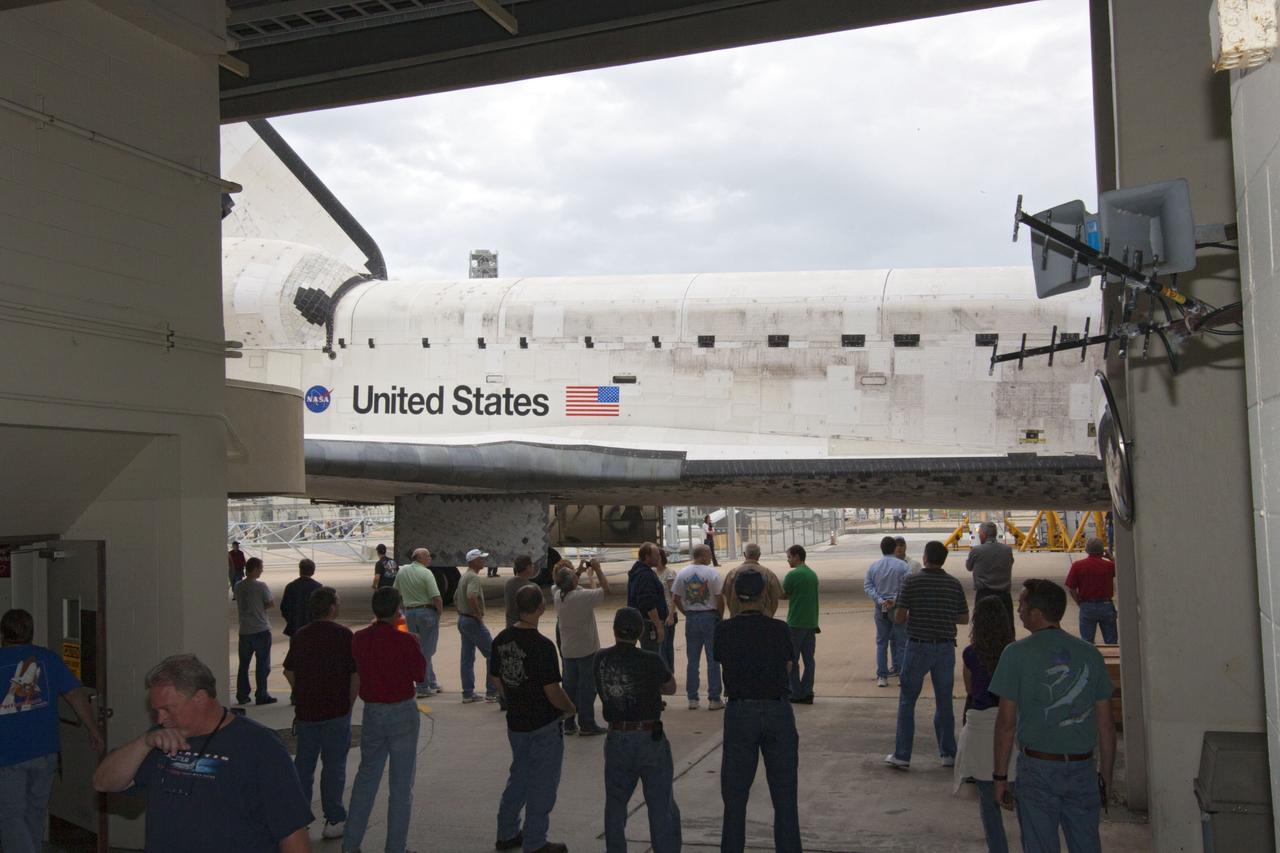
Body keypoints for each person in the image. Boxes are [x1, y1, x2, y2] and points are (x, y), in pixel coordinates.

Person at [92, 654, 312, 852]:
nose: (160, 719)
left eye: (167, 709)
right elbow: (103, 783)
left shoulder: (260, 746)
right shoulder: (159, 740)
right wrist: (143, 742)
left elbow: (293, 834)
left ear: (200, 698)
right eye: (155, 710)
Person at [992, 579, 1115, 853]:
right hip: (1083, 770)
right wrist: (1105, 778)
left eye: (1022, 604)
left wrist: (1000, 777)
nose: (1019, 609)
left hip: (1037, 770)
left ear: (1036, 613)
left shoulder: (1015, 654)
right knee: (1086, 844)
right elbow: (1105, 726)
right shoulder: (1090, 654)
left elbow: (1006, 725)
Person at [1, 609, 104, 853]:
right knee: (34, 814)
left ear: (3, 633)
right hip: (45, 752)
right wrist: (94, 729)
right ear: (31, 631)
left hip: (7, 755)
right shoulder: (47, 659)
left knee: (11, 818)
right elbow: (75, 695)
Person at [714, 569, 802, 853]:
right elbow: (789, 666)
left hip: (740, 711)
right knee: (784, 794)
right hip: (777, 709)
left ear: (735, 596)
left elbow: (722, 661)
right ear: (765, 594)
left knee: (735, 795)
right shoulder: (779, 629)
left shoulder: (724, 630)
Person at [490, 586, 575, 853]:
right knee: (542, 785)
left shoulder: (501, 640)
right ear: (540, 608)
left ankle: (506, 833)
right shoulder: (543, 646)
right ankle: (535, 841)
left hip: (516, 722)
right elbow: (552, 691)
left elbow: (496, 679)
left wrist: (514, 697)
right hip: (543, 724)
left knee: (519, 777)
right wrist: (570, 709)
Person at [343, 587, 427, 853]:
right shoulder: (406, 640)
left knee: (366, 777)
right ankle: (395, 847)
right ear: (397, 609)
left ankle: (350, 843)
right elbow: (420, 674)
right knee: (401, 787)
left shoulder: (359, 639)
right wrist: (409, 635)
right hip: (401, 711)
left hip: (373, 712)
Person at [595, 607, 681, 853]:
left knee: (615, 805)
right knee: (660, 806)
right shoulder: (650, 659)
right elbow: (671, 687)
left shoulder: (600, 658)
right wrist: (652, 696)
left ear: (614, 631)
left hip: (617, 736)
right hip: (648, 737)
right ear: (640, 631)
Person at [885, 540, 969, 770]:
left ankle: (902, 755)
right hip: (944, 647)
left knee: (907, 701)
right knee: (944, 702)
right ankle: (948, 753)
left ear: (924, 557)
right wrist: (941, 615)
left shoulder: (911, 581)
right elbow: (963, 618)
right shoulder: (954, 584)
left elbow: (900, 618)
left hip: (918, 646)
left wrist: (912, 613)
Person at [282, 587, 357, 841]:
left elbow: (289, 671)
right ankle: (334, 818)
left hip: (307, 712)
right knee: (334, 767)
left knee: (304, 765)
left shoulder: (301, 636)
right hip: (336, 710)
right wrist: (349, 702)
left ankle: (299, 822)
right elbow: (354, 674)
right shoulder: (345, 636)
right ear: (333, 607)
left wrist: (301, 692)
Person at [953, 597, 1016, 853]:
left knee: (988, 803)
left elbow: (969, 689)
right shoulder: (1013, 652)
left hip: (979, 728)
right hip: (1009, 724)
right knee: (1020, 795)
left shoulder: (970, 653)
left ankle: (997, 848)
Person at [553, 558, 609, 735]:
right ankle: (587, 724)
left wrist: (577, 571)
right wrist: (598, 570)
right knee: (587, 689)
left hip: (568, 650)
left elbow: (564, 583)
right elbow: (606, 590)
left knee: (570, 687)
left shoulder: (557, 594)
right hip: (586, 649)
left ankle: (569, 722)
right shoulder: (581, 597)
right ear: (573, 582)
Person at [672, 543, 725, 710]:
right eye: (709, 554)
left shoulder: (682, 573)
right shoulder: (711, 573)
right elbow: (719, 597)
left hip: (692, 618)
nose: (711, 557)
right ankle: (714, 698)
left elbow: (676, 597)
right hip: (710, 616)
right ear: (702, 555)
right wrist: (720, 615)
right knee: (713, 659)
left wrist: (686, 612)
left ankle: (692, 698)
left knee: (693, 660)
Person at [395, 547, 444, 697]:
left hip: (409, 613)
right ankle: (423, 686)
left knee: (420, 649)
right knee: (426, 651)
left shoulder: (402, 571)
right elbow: (436, 596)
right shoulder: (426, 573)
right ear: (419, 558)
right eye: (428, 556)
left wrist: (400, 611)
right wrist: (439, 612)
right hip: (426, 613)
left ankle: (432, 682)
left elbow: (396, 592)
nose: (430, 558)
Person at [864, 536, 909, 688]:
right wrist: (895, 599)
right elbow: (906, 585)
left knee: (881, 643)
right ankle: (903, 675)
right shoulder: (902, 566)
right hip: (897, 607)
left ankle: (882, 676)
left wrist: (880, 599)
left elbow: (868, 586)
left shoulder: (874, 566)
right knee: (902, 642)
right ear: (893, 548)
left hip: (881, 607)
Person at [457, 547, 499, 703]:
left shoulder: (464, 576)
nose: (483, 561)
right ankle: (491, 691)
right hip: (472, 620)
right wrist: (477, 614)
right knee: (493, 654)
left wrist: (463, 613)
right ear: (474, 561)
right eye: (481, 559)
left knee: (467, 658)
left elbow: (456, 598)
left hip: (462, 619)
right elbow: (471, 596)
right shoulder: (473, 577)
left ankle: (468, 693)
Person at [235, 557, 278, 706]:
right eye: (260, 568)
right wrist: (259, 608)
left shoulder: (238, 586)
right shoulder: (261, 586)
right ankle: (261, 694)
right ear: (254, 569)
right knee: (262, 664)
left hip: (245, 629)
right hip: (260, 629)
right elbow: (270, 603)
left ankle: (242, 694)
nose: (262, 571)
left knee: (244, 664)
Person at [782, 544, 819, 704]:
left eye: (789, 557)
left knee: (792, 659)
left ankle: (795, 692)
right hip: (811, 622)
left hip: (796, 622)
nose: (788, 560)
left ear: (797, 556)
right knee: (809, 660)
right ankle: (807, 690)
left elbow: (783, 594)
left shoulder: (793, 575)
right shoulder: (812, 574)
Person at [1064, 538, 1118, 645]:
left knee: (1087, 643)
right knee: (1111, 642)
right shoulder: (1109, 566)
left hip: (1087, 605)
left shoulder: (1077, 566)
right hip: (1106, 605)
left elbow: (1071, 588)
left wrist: (1079, 602)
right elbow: (1122, 570)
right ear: (1102, 551)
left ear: (1086, 550)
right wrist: (1111, 557)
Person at [966, 521, 1016, 631]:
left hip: (984, 595)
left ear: (983, 535)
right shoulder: (1007, 550)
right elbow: (1010, 562)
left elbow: (969, 567)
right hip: (1004, 596)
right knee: (1006, 629)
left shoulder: (977, 550)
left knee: (983, 630)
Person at [627, 542, 669, 654]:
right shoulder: (646, 575)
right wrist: (658, 626)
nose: (659, 557)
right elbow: (648, 603)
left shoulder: (637, 570)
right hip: (649, 625)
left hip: (642, 622)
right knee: (652, 656)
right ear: (647, 557)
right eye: (656, 555)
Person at [721, 543, 783, 617]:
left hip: (738, 617)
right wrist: (769, 615)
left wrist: (734, 612)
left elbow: (728, 596)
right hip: (763, 617)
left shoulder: (732, 574)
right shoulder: (768, 574)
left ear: (744, 554)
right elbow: (774, 599)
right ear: (759, 555)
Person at [280, 558, 322, 639]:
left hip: (295, 628)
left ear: (300, 570)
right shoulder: (318, 587)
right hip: (312, 628)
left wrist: (291, 620)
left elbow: (284, 608)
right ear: (313, 571)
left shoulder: (291, 586)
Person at [656, 549, 679, 673]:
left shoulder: (669, 573)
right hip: (658, 612)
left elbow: (673, 596)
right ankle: (664, 671)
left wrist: (671, 615)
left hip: (668, 613)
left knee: (666, 645)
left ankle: (668, 671)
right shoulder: (653, 573)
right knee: (660, 645)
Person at [505, 554, 539, 629]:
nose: (533, 567)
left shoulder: (508, 583)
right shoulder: (533, 587)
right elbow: (540, 607)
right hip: (528, 628)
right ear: (527, 568)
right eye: (532, 565)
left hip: (510, 627)